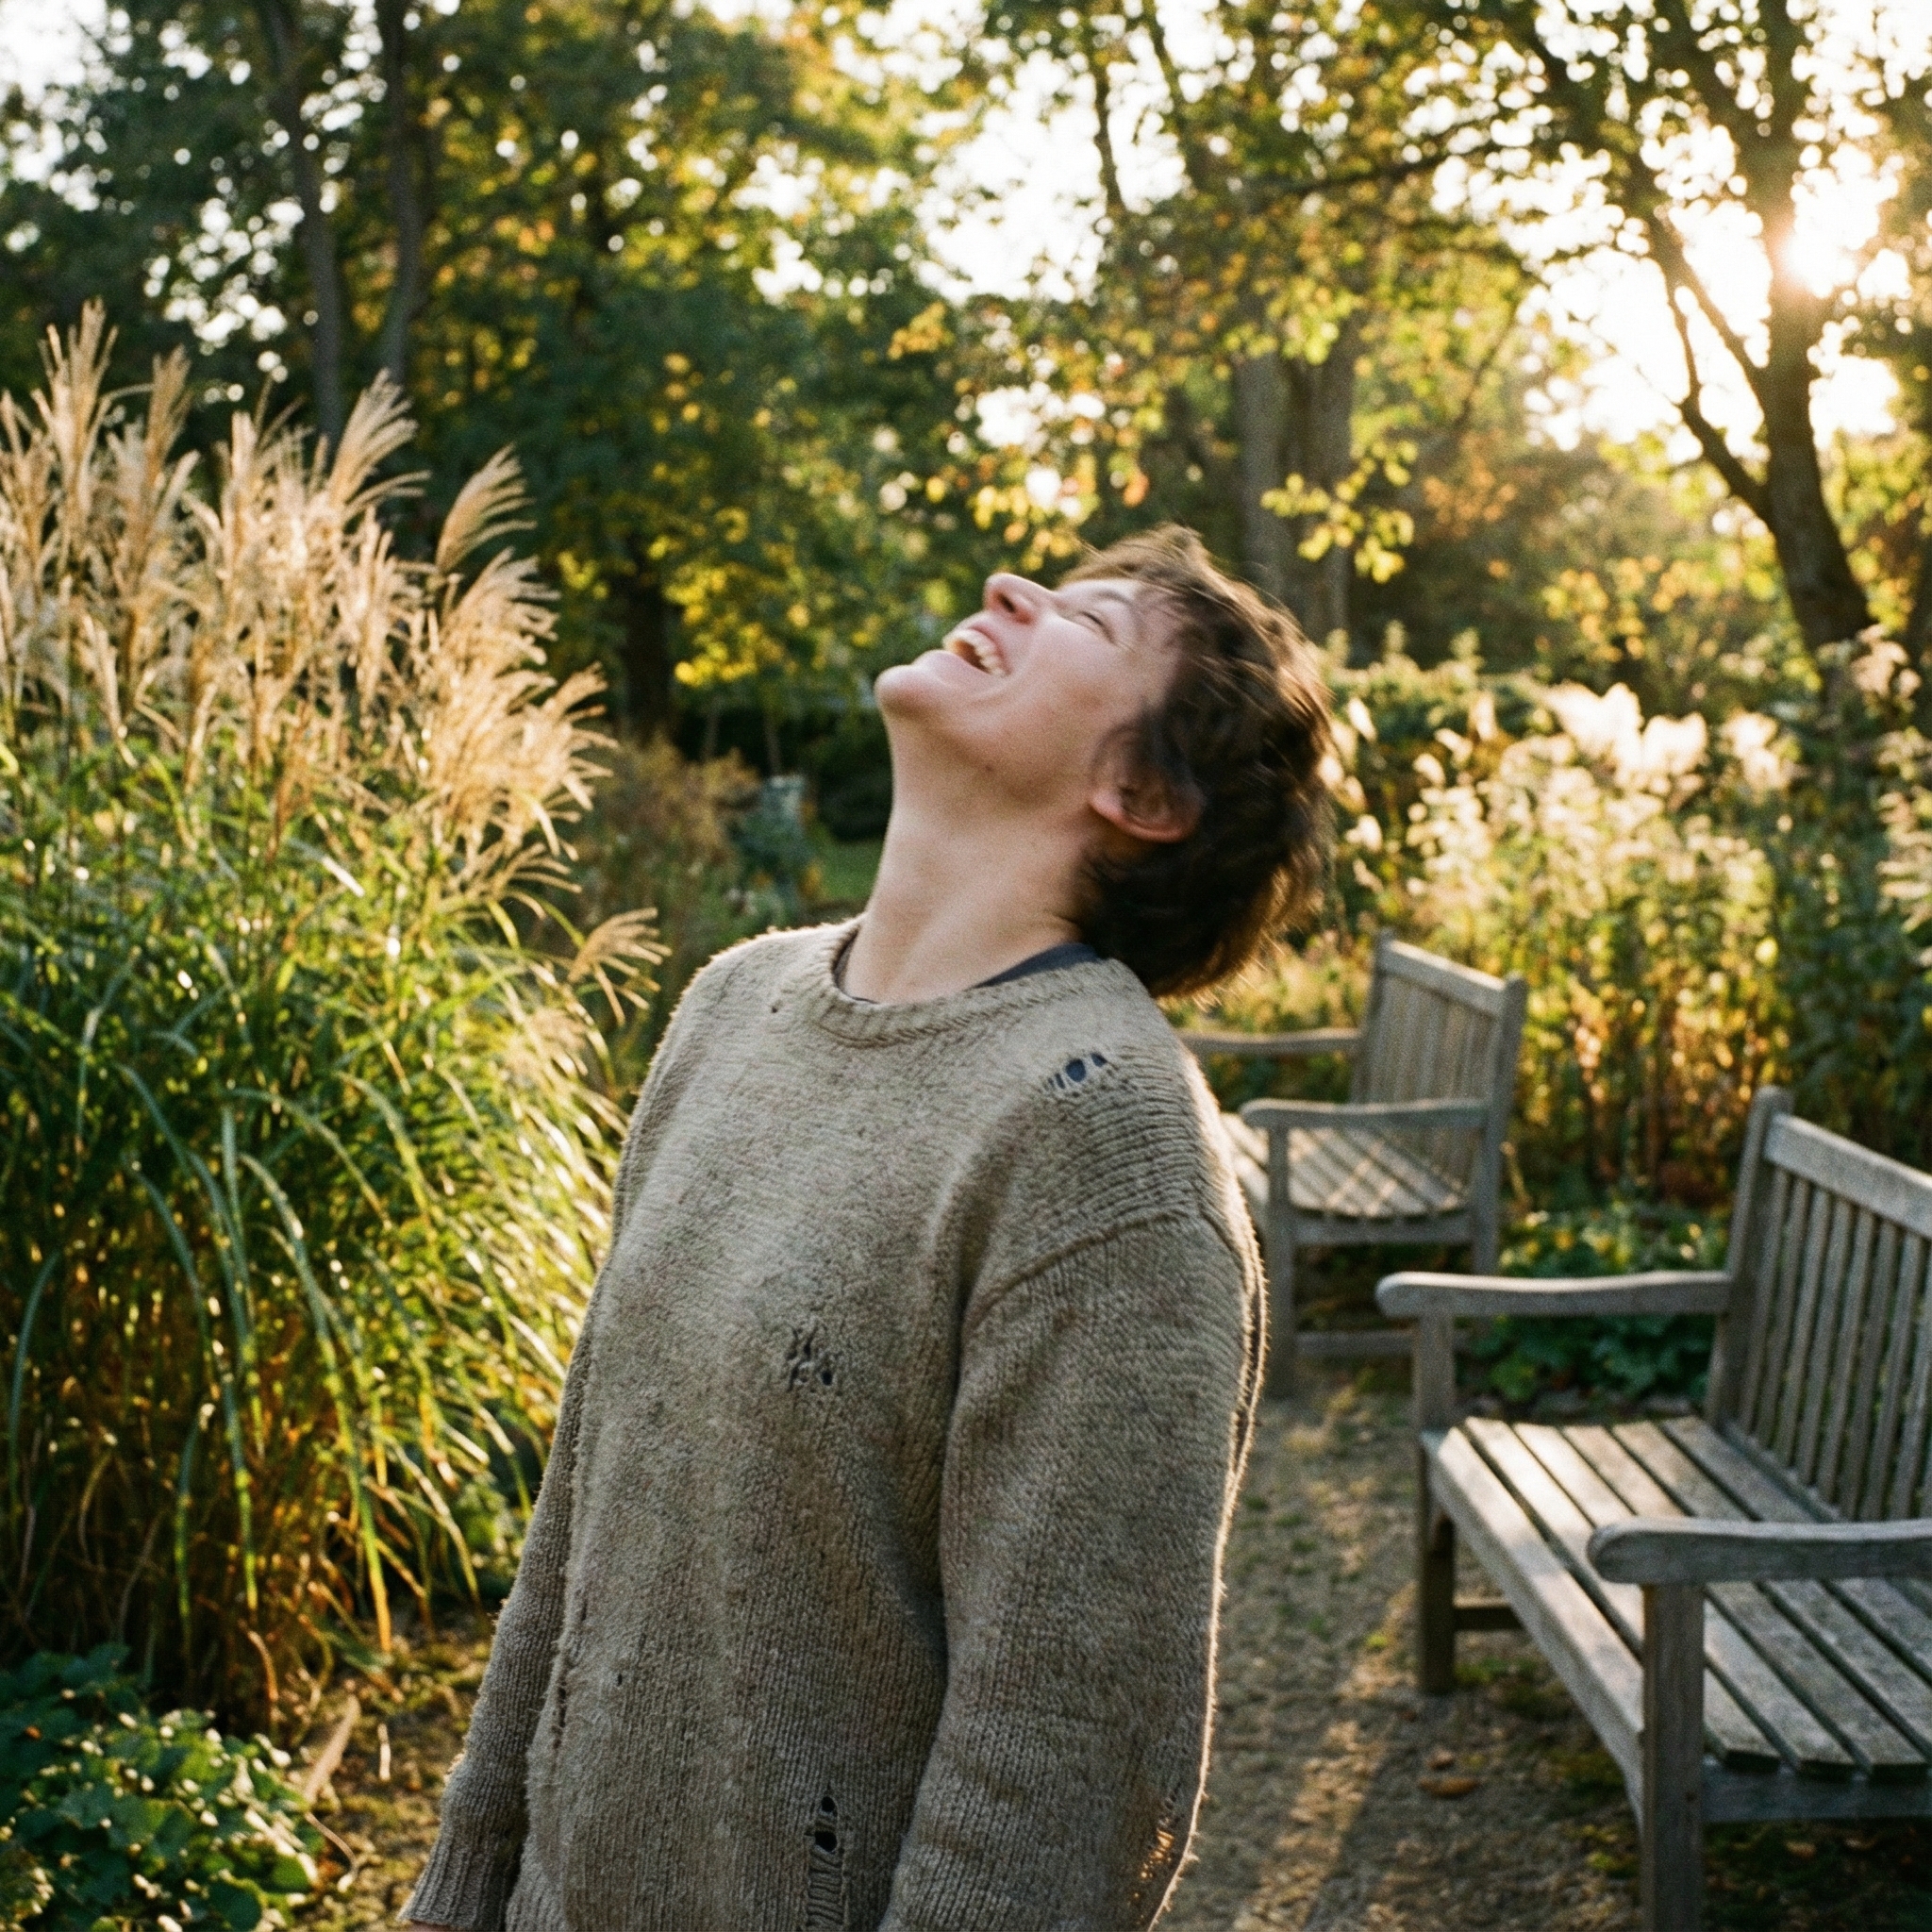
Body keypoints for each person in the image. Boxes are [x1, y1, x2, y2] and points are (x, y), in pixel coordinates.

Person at [403, 525, 1332, 1932]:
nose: (1009, 589)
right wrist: (466, 1883)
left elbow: (1063, 1768)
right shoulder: (736, 1003)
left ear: (1144, 794)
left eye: (1086, 622)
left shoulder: (1106, 1143)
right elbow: (579, 1519)